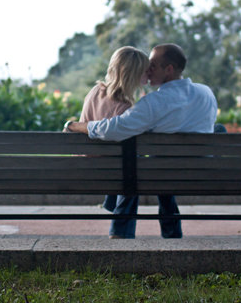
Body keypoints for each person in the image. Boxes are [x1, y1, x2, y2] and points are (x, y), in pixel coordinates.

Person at [65, 43, 218, 239]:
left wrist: (76, 125)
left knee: (143, 160)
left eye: (152, 65)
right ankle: (171, 233)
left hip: (158, 168)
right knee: (211, 133)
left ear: (169, 69)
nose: (149, 70)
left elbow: (114, 129)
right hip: (201, 168)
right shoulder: (206, 92)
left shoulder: (153, 103)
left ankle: (121, 231)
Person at [63, 45, 149, 237]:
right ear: (135, 75)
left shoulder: (95, 91)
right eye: (145, 71)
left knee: (124, 163)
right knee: (133, 171)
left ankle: (112, 205)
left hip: (86, 163)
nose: (149, 74)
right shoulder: (127, 107)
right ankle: (120, 231)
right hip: (111, 171)